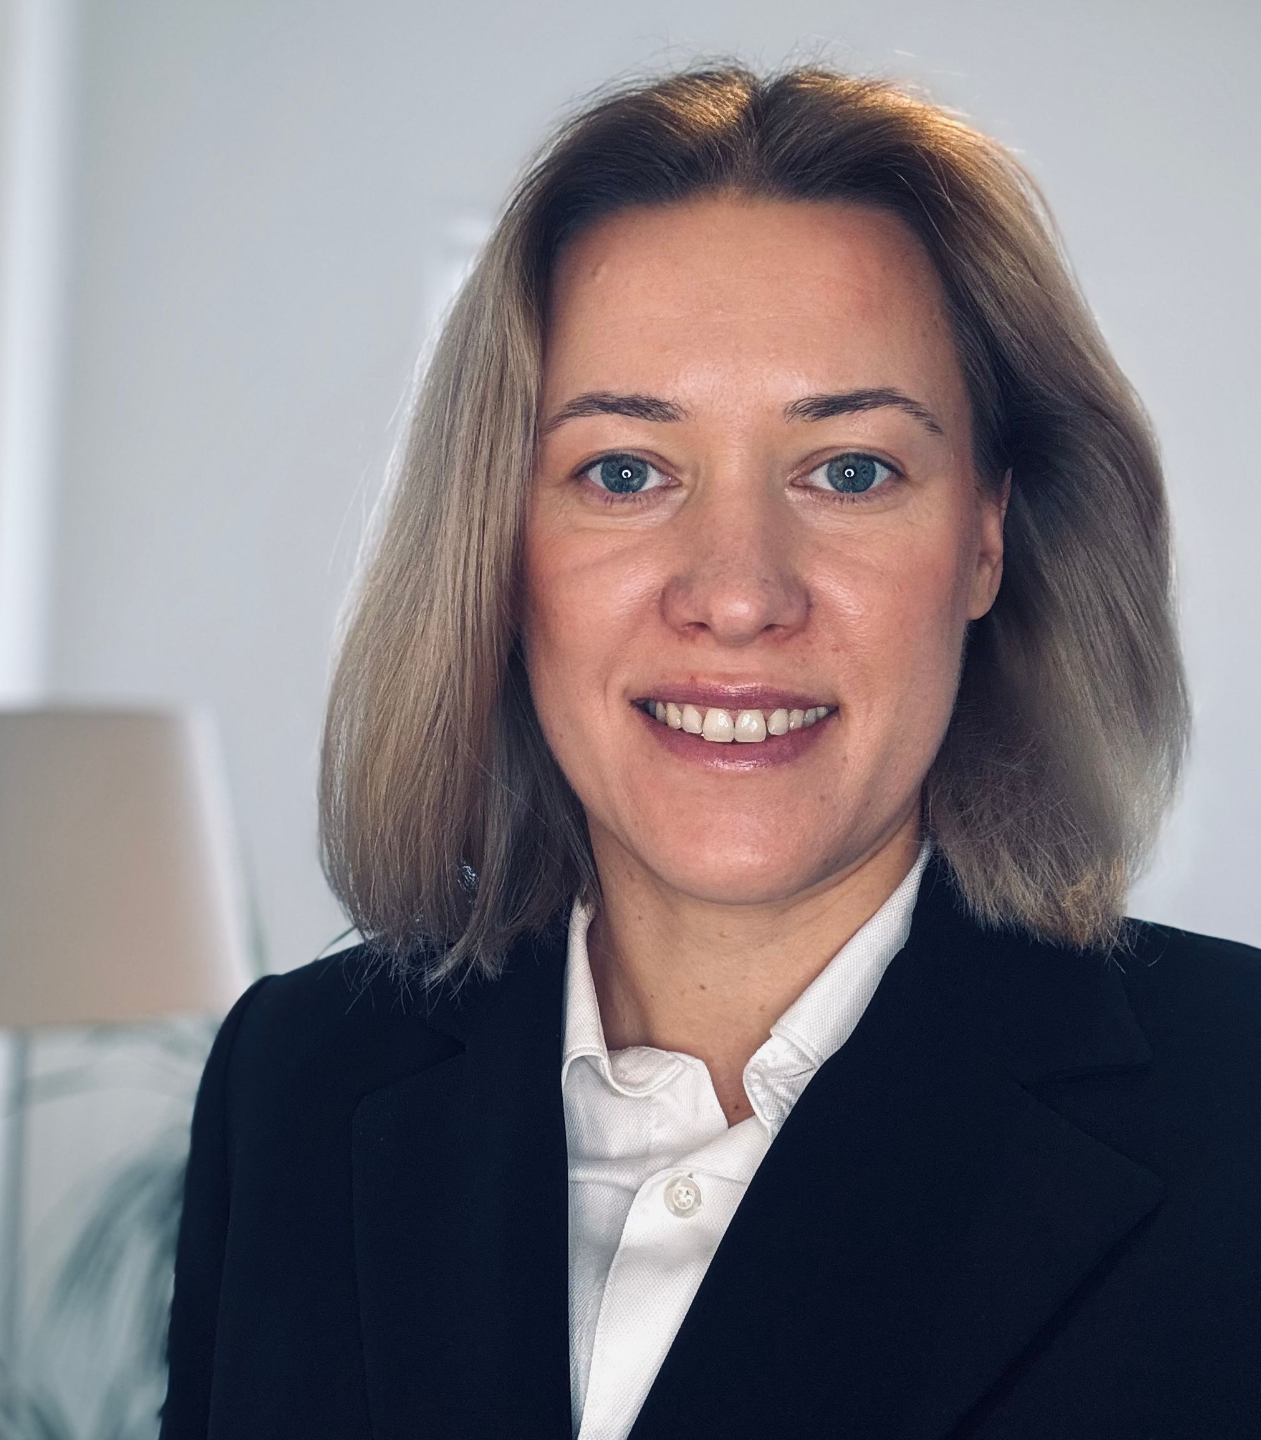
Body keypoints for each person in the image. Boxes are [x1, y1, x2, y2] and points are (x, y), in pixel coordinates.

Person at [159, 66, 1261, 1440]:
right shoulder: (297, 1086)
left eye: (849, 470)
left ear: (987, 536)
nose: (738, 593)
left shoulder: (1241, 1114)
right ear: (500, 547)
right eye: (625, 471)